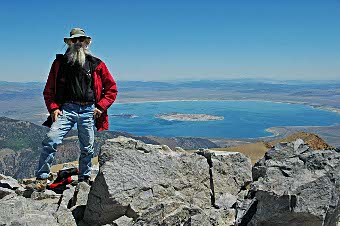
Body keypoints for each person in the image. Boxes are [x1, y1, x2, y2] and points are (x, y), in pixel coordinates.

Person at [33, 28, 118, 190]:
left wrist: (100, 107)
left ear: (86, 42)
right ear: (69, 43)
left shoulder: (96, 64)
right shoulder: (60, 64)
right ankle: (42, 177)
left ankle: (84, 178)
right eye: (74, 40)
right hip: (67, 109)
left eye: (81, 40)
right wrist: (53, 109)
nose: (78, 43)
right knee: (51, 139)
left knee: (87, 146)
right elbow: (49, 90)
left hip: (88, 110)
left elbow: (111, 88)